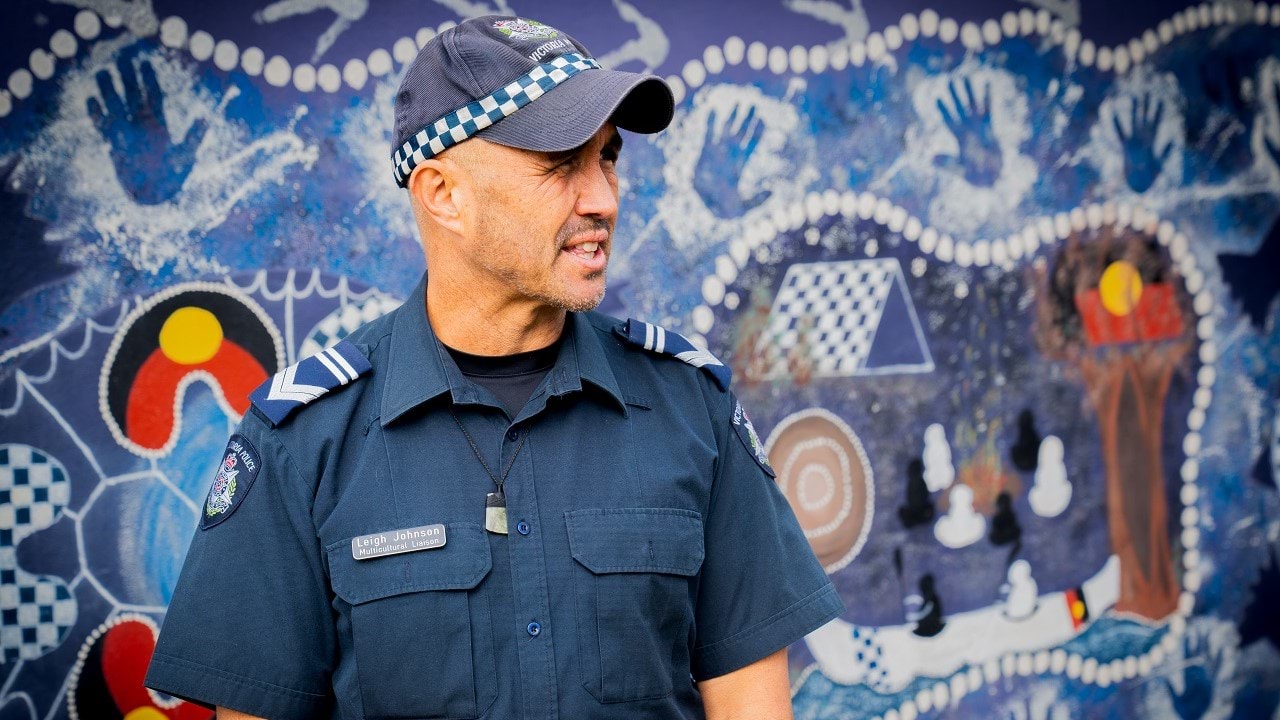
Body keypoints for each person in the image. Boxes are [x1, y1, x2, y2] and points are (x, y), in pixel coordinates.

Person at [145, 15, 843, 720]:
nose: (602, 197)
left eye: (608, 158)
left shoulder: (690, 408)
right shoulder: (302, 441)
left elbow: (752, 705)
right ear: (443, 193)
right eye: (560, 164)